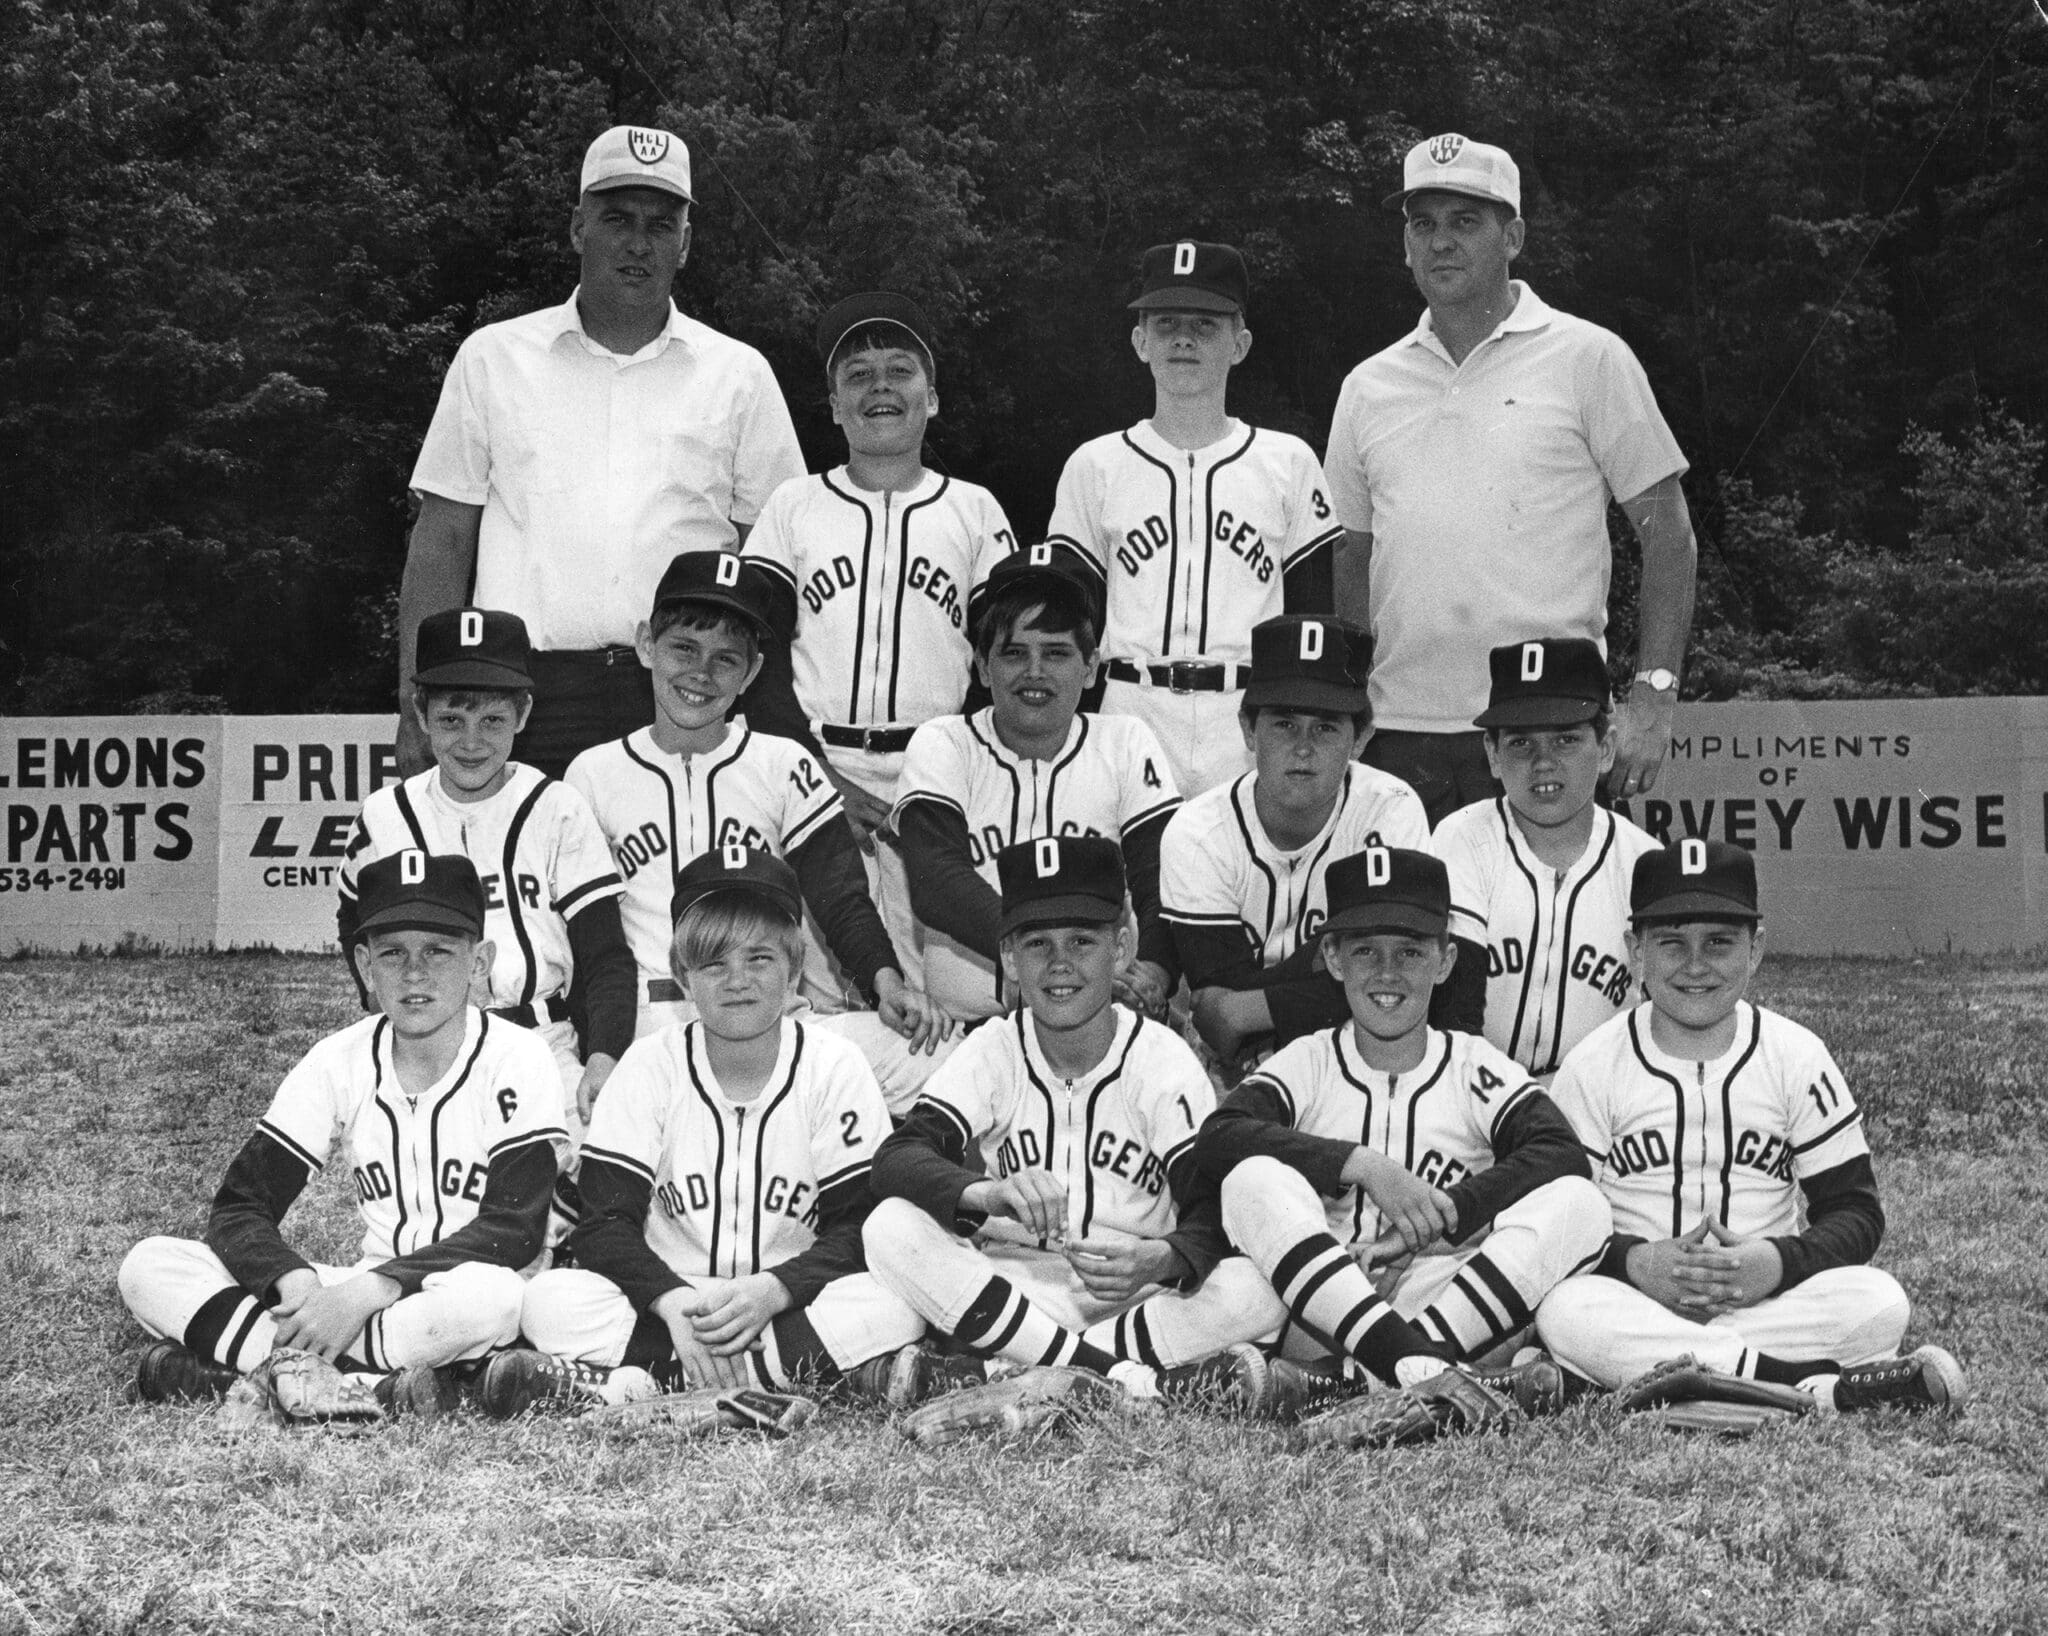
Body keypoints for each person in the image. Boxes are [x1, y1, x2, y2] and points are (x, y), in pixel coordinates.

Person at [400, 124, 805, 779]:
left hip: (683, 700)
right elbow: (442, 541)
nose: (639, 244)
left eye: (661, 225)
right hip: (517, 698)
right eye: (617, 219)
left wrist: (767, 710)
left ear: (685, 244)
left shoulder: (740, 374)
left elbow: (775, 563)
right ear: (577, 228)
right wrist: (414, 701)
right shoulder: (492, 358)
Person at [1325, 133, 1698, 823]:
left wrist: (1654, 694)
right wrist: (1350, 702)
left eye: (1465, 221)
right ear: (1404, 245)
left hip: (1548, 726)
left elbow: (1668, 535)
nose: (1441, 242)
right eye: (1422, 224)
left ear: (1514, 237)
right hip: (1399, 734)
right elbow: (1352, 553)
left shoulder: (1590, 358)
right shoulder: (1367, 386)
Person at [120, 851, 568, 1419]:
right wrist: (296, 1285)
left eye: (438, 950)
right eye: (392, 952)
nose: (414, 973)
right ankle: (370, 1386)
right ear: (364, 965)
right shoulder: (338, 1060)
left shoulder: (518, 1056)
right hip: (372, 1305)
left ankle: (271, 1371)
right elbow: (240, 1207)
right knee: (149, 1265)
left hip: (449, 1294)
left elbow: (514, 1230)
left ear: (479, 962)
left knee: (494, 1298)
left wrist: (366, 1293)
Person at [485, 847, 928, 1414]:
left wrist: (775, 1289)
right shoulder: (648, 1065)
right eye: (714, 964)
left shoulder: (835, 1066)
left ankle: (645, 1383)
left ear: (794, 969)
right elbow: (603, 1227)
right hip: (673, 1298)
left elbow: (858, 1227)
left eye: (760, 959)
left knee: (895, 1303)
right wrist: (670, 1301)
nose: (737, 981)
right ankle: (780, 1374)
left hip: (787, 1297)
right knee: (549, 1300)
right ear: (683, 977)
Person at [1192, 845, 1612, 1442]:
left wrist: (1440, 1219)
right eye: (1365, 950)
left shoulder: (1471, 1064)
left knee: (1581, 1203)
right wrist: (1361, 1165)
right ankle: (1434, 1375)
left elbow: (1559, 1152)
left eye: (1411, 951)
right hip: (1332, 1300)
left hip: (1446, 1297)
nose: (1387, 972)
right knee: (1249, 1178)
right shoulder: (1309, 1060)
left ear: (1445, 961)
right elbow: (1219, 1138)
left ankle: (1356, 1382)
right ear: (1332, 958)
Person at [1534, 840, 1968, 1413]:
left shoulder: (1796, 1055)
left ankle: (1672, 1379)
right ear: (1636, 951)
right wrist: (1634, 1262)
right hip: (1638, 1299)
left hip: (1766, 1305)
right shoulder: (1593, 1063)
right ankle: (1805, 1385)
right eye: (1671, 943)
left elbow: (1857, 1214)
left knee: (1880, 1299)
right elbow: (1555, 1222)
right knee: (1565, 1309)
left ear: (1755, 948)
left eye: (1719, 942)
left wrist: (1779, 1263)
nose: (1695, 965)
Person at [862, 837, 1285, 1399]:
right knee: (888, 1226)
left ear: (1122, 948)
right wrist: (988, 1194)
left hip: (1131, 1298)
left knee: (1259, 1287)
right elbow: (897, 1159)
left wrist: (1163, 1258)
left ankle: (1010, 1374)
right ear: (1009, 957)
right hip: (1016, 1290)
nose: (1059, 963)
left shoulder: (1161, 1059)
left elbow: (1212, 1207)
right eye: (1037, 943)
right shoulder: (994, 1048)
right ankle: (1123, 1381)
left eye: (1082, 941)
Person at [565, 550, 954, 1112]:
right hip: (651, 1021)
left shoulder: (782, 762)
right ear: (647, 644)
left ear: (751, 673)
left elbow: (841, 897)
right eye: (684, 649)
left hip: (772, 1015)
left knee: (945, 1059)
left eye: (726, 659)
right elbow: (593, 943)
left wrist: (887, 982)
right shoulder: (592, 774)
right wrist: (602, 1050)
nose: (701, 674)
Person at [742, 291, 1016, 976]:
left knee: (946, 986)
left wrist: (948, 774)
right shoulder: (793, 505)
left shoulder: (975, 510)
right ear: (835, 405)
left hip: (940, 772)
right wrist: (818, 778)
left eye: (900, 370)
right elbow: (757, 658)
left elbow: (1005, 661)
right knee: (818, 985)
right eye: (858, 375)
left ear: (933, 397)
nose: (881, 387)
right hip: (815, 764)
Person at [1045, 240, 1344, 798]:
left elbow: (1313, 620)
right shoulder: (1095, 464)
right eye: (1166, 324)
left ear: (1240, 344)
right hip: (1128, 707)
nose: (1183, 339)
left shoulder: (1288, 462)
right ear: (1140, 342)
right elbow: (1070, 621)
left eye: (1205, 324)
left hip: (1247, 715)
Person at [338, 608, 636, 1134]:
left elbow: (606, 953)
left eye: (492, 720)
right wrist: (376, 997)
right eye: (452, 719)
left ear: (523, 713)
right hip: (427, 1046)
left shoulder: (556, 807)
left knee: (581, 1176)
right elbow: (352, 920)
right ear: (420, 713)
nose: (472, 741)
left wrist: (605, 1054)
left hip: (543, 1040)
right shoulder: (385, 816)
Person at [892, 544, 1182, 1022]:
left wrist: (1151, 974)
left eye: (1056, 653)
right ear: (982, 666)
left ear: (1090, 668)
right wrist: (1055, 965)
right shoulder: (944, 742)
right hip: (964, 1031)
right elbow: (936, 881)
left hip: (1105, 1023)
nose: (1034, 672)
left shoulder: (1126, 742)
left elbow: (1163, 881)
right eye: (1013, 653)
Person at [1161, 615, 1427, 1073]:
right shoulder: (1198, 832)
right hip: (1230, 1072)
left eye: (1326, 727)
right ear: (1248, 729)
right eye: (1284, 723)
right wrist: (1337, 961)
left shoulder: (1389, 811)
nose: (1303, 747)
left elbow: (1394, 977)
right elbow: (1217, 1017)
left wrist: (1247, 1009)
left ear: (1360, 738)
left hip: (1360, 1059)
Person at [1427, 637, 1659, 1078]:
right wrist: (1519, 1104)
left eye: (1566, 740)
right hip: (1472, 1088)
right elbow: (1454, 1014)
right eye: (1520, 743)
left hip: (1601, 1095)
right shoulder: (1463, 837)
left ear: (1606, 748)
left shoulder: (1644, 862)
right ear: (1492, 754)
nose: (1543, 762)